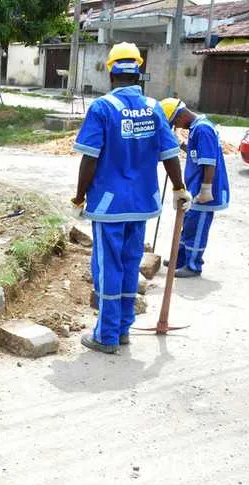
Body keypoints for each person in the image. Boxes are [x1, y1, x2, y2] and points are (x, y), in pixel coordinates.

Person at [71, 42, 192, 354]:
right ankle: (123, 329)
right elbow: (169, 154)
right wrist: (180, 188)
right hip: (142, 203)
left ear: (111, 71)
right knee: (129, 264)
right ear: (139, 71)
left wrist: (79, 197)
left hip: (109, 205)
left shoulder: (102, 108)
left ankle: (106, 336)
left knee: (107, 267)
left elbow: (90, 159)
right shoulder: (153, 108)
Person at [159, 98, 230, 278]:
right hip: (196, 187)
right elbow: (196, 152)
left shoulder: (203, 129)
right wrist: (180, 145)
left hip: (205, 191)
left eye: (174, 122)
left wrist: (206, 189)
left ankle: (193, 265)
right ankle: (180, 259)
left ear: (181, 115)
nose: (176, 126)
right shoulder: (196, 128)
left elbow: (209, 162)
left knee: (197, 227)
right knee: (189, 224)